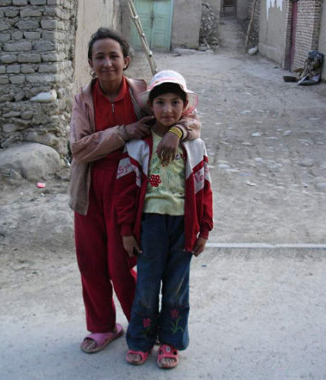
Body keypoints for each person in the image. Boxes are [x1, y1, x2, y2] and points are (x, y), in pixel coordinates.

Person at [69, 28, 201, 354]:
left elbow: (191, 120)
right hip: (89, 189)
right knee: (90, 263)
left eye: (114, 56)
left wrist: (177, 131)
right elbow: (79, 149)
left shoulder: (142, 94)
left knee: (120, 263)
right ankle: (102, 326)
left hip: (128, 189)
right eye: (99, 56)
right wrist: (124, 132)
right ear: (90, 62)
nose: (107, 63)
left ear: (126, 60)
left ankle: (141, 327)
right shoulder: (82, 100)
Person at [114, 70, 213, 369]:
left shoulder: (194, 147)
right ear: (151, 106)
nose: (167, 109)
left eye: (174, 102)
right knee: (146, 285)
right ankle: (141, 341)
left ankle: (170, 341)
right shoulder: (137, 146)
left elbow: (203, 188)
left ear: (184, 106)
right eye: (160, 102)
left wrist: (204, 230)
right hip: (150, 226)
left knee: (176, 287)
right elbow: (127, 192)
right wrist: (126, 231)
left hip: (183, 226)